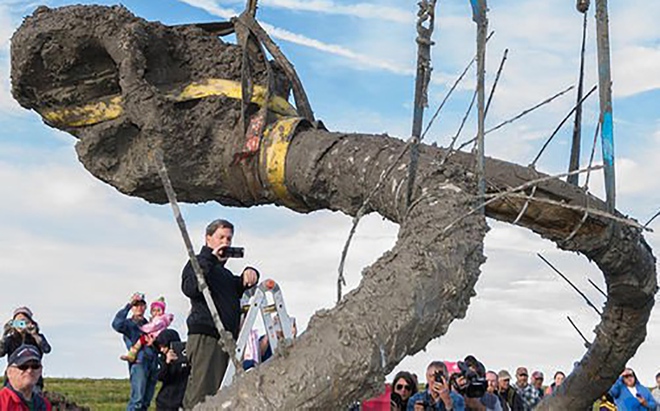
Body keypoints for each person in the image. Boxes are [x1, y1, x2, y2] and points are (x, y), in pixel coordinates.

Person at [181, 219, 259, 409]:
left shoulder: (223, 274)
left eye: (229, 239)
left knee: (221, 394)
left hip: (226, 340)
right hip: (207, 336)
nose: (226, 242)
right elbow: (190, 287)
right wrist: (210, 258)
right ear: (208, 239)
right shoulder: (197, 262)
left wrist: (251, 273)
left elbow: (237, 286)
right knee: (203, 394)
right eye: (221, 237)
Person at [112, 292, 159, 411]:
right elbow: (116, 324)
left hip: (153, 364)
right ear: (132, 307)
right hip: (139, 363)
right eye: (135, 305)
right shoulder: (128, 324)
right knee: (137, 400)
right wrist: (127, 306)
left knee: (146, 402)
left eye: (141, 305)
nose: (139, 308)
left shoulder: (149, 325)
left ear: (145, 307)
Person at [0, 307, 51, 391]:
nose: (21, 325)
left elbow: (47, 349)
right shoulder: (10, 339)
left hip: (33, 378)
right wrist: (4, 335)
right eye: (18, 322)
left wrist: (35, 335)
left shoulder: (37, 338)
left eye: (24, 322)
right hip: (13, 379)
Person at [121, 297, 174, 363]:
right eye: (154, 310)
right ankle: (133, 355)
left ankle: (132, 355)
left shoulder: (160, 320)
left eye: (158, 310)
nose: (156, 313)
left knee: (140, 341)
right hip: (154, 336)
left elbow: (153, 327)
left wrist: (142, 328)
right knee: (141, 343)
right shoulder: (156, 319)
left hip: (156, 336)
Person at [0, 344, 51, 410]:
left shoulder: (45, 405)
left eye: (35, 366)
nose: (29, 371)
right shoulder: (2, 402)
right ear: (9, 372)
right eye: (23, 366)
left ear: (40, 370)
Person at [154, 329, 190, 411]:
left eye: (164, 346)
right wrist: (167, 363)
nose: (161, 349)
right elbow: (161, 377)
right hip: (164, 402)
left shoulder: (187, 356)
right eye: (159, 347)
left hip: (183, 401)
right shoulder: (162, 359)